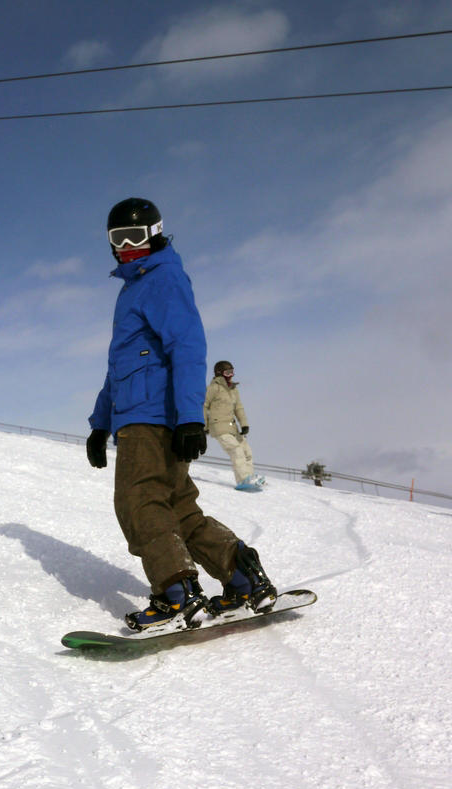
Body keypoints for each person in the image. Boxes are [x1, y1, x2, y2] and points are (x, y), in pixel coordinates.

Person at [86, 198, 276, 630]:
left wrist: (191, 416)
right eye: (119, 239)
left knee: (139, 502)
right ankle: (243, 576)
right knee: (177, 508)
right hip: (145, 414)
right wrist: (100, 425)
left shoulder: (161, 278)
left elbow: (188, 346)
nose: (128, 247)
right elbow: (119, 368)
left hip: (149, 418)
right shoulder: (135, 287)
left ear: (155, 234)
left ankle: (176, 592)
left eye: (136, 237)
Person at [203, 361, 265, 490]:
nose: (231, 375)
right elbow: (204, 406)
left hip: (232, 427)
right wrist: (204, 426)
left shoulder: (233, 389)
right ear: (219, 373)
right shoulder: (213, 388)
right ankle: (243, 480)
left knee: (247, 452)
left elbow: (238, 408)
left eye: (232, 372)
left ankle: (250, 478)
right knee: (236, 450)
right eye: (227, 373)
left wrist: (244, 424)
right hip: (219, 426)